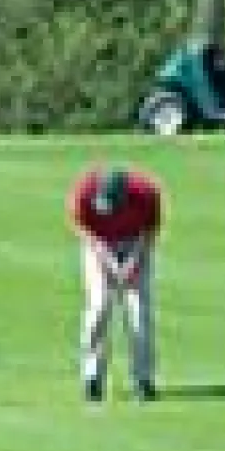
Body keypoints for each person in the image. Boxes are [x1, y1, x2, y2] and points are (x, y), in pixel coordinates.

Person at [67, 165, 163, 402]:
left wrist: (132, 264)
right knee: (100, 305)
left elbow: (148, 234)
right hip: (100, 244)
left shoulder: (147, 192)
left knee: (139, 312)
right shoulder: (83, 191)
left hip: (134, 243)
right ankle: (92, 377)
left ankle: (143, 379)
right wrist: (110, 263)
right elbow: (87, 233)